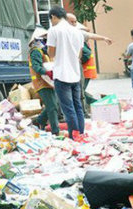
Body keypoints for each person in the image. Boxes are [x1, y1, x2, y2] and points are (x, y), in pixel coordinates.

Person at [46, 6, 85, 140]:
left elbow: (51, 53)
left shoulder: (54, 30)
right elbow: (80, 54)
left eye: (51, 20)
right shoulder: (77, 32)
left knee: (68, 109)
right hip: (75, 75)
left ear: (53, 17)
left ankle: (74, 137)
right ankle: (81, 134)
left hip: (62, 75)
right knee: (78, 107)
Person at [66, 13, 113, 107]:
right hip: (79, 70)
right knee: (79, 91)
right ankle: (96, 104)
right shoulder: (64, 34)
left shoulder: (78, 35)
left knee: (80, 91)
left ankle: (97, 104)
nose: (74, 24)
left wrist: (104, 38)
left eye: (75, 22)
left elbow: (91, 35)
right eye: (72, 22)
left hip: (83, 70)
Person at [29, 28, 59, 135]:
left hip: (48, 83)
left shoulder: (42, 51)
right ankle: (55, 132)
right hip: (42, 83)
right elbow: (36, 67)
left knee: (54, 105)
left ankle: (39, 121)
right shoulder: (35, 52)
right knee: (52, 107)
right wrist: (47, 72)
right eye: (44, 38)